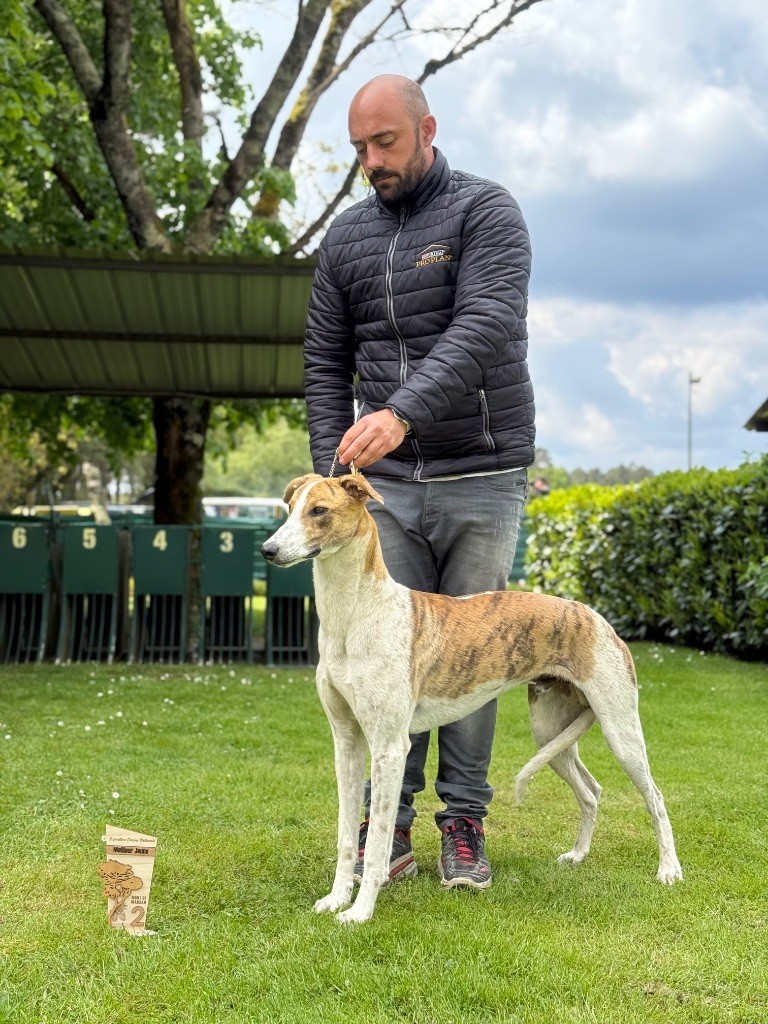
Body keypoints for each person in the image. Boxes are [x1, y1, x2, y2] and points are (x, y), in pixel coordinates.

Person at [304, 75, 535, 890]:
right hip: (385, 490)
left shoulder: (487, 212)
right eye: (359, 148)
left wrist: (400, 413)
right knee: (381, 660)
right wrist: (331, 480)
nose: (372, 160)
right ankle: (388, 829)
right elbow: (325, 362)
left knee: (475, 657)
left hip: (483, 472)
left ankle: (463, 823)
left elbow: (486, 324)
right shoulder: (344, 239)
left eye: (386, 142)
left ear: (427, 129)